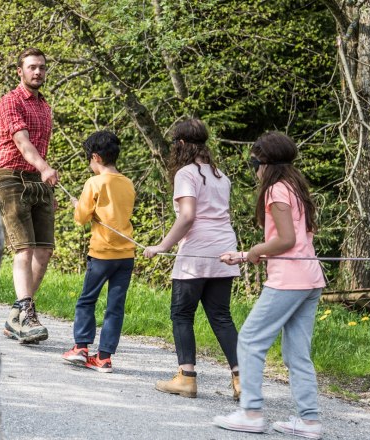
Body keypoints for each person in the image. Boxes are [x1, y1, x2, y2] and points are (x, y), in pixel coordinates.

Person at [214, 132, 325, 439]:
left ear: (266, 164)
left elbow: (286, 240)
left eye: (254, 164)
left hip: (289, 280)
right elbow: (297, 241)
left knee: (250, 340)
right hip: (310, 278)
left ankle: (250, 413)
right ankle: (309, 421)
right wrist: (247, 255)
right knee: (296, 353)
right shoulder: (295, 186)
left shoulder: (275, 190)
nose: (254, 171)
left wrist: (255, 250)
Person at [143, 118, 241, 400]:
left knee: (182, 314)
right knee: (221, 316)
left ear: (181, 144)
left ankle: (186, 378)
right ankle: (242, 380)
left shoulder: (186, 174)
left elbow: (187, 216)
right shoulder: (221, 175)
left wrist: (162, 246)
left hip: (197, 251)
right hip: (224, 249)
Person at [0, 47, 59, 344]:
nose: (38, 72)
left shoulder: (45, 107)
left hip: (37, 180)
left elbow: (40, 148)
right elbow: (22, 142)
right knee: (24, 249)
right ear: (20, 71)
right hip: (11, 177)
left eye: (42, 67)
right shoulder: (10, 101)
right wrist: (45, 168)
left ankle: (16, 317)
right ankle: (27, 314)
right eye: (32, 67)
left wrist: (46, 183)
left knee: (44, 251)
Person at [61, 131, 136, 373]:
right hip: (126, 255)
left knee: (87, 300)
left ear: (96, 157)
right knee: (115, 306)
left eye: (89, 160)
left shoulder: (94, 183)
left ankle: (81, 347)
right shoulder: (128, 183)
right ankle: (104, 358)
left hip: (102, 253)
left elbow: (81, 218)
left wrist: (77, 206)